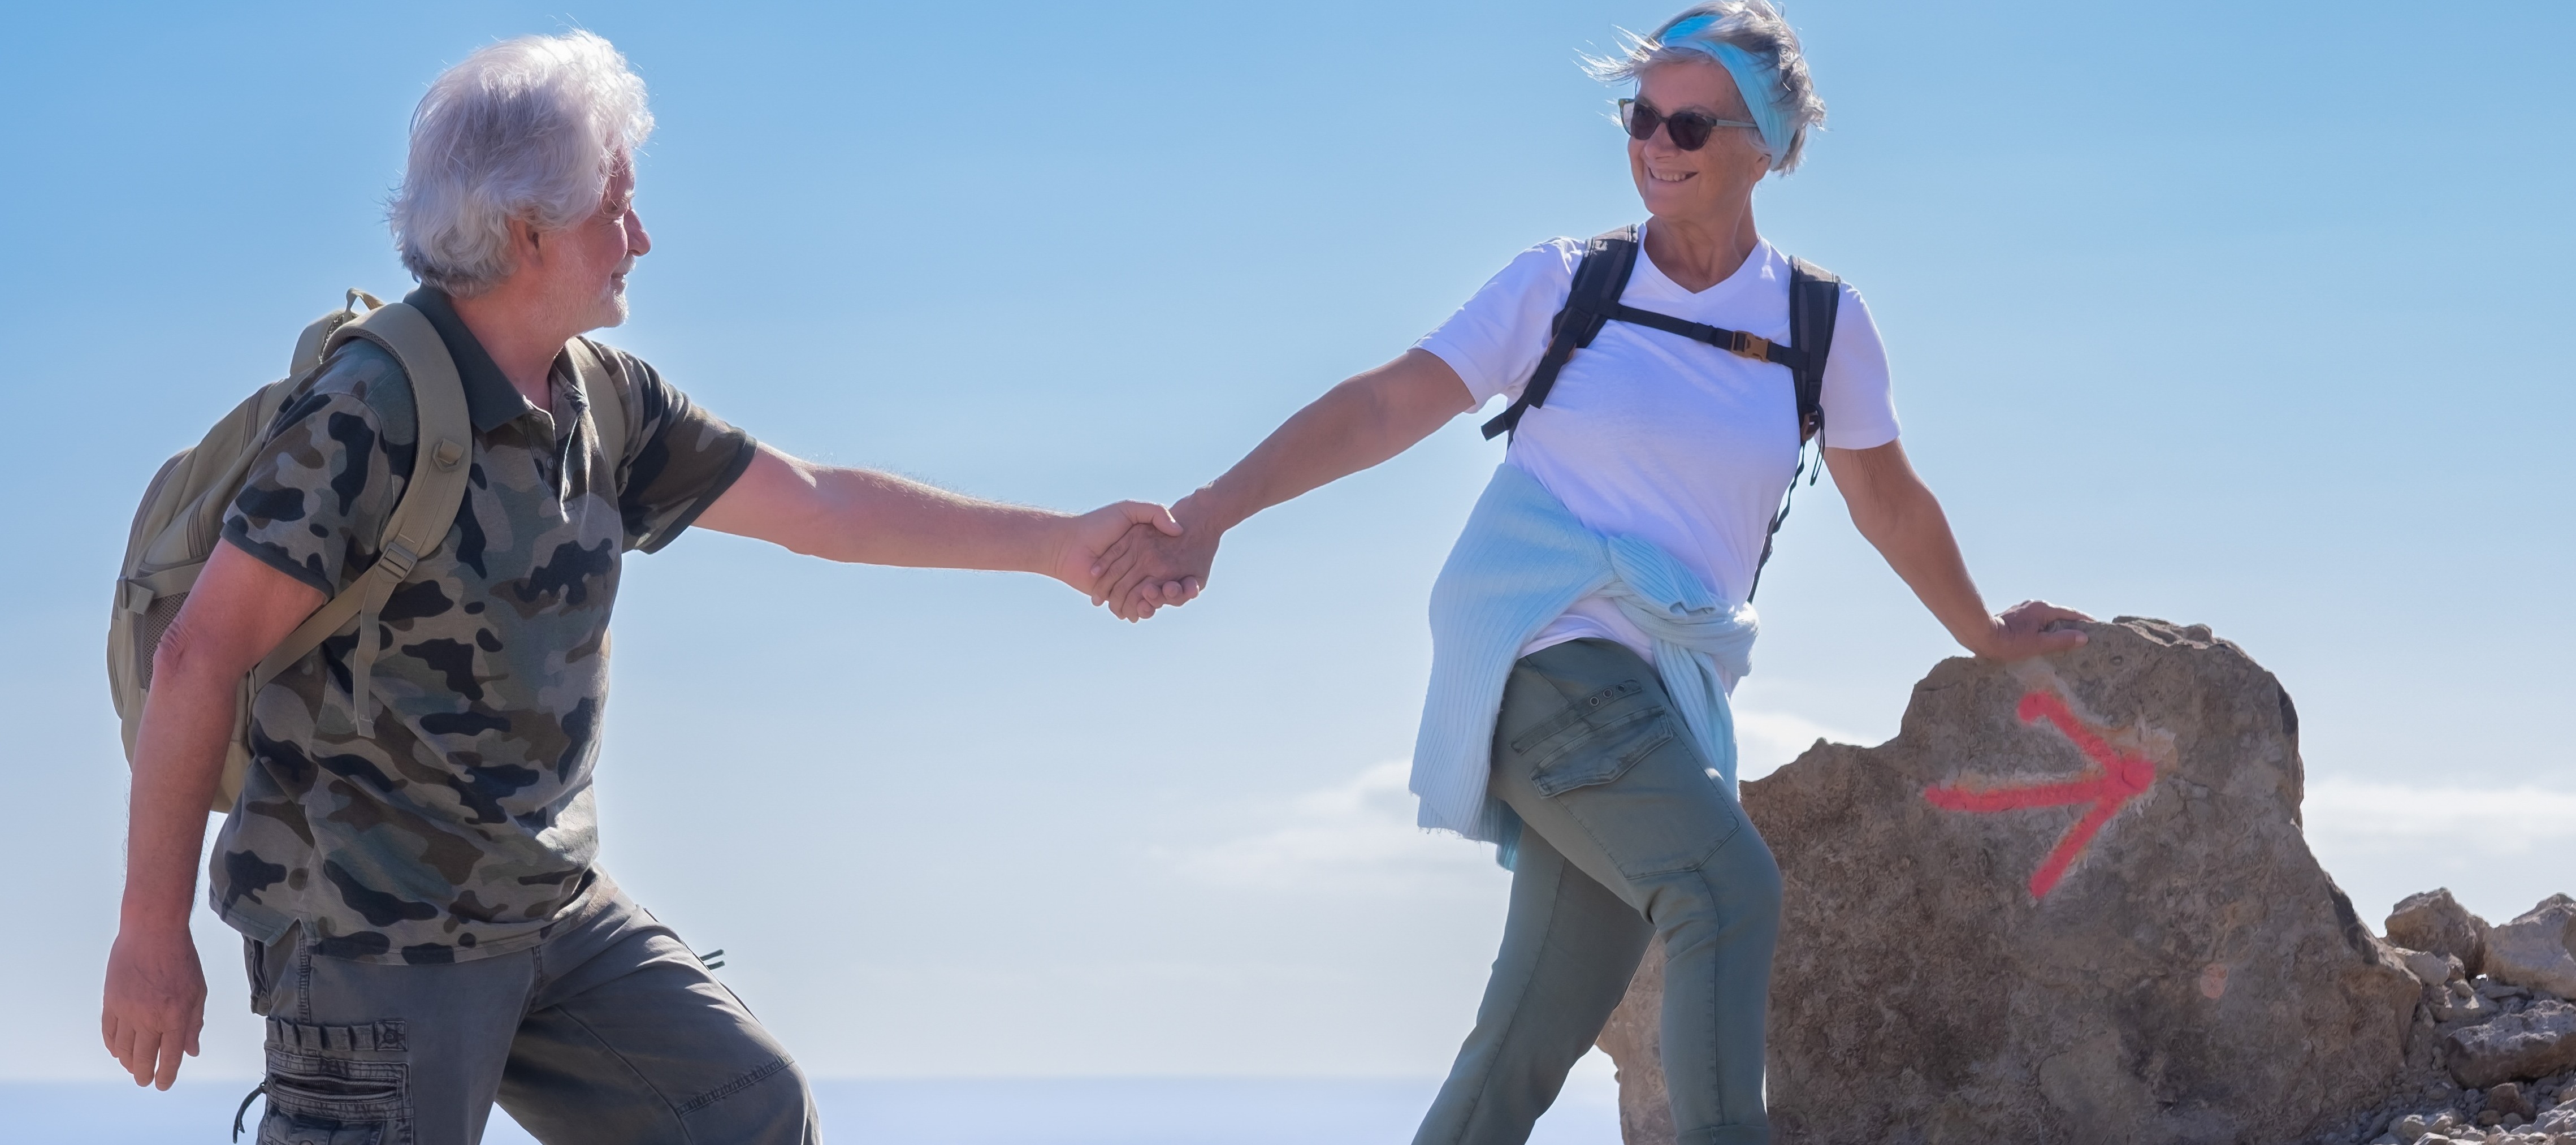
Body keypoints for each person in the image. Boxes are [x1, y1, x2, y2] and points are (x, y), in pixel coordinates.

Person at [98, 31, 1180, 1144]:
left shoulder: (605, 400)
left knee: (744, 1113)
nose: (643, 237)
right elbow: (201, 651)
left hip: (548, 913)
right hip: (375, 943)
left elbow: (818, 505)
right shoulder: (368, 412)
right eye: (616, 207)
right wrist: (150, 931)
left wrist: (1058, 542)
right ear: (528, 232)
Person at [1089, 3, 2088, 1142]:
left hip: (1658, 690)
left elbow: (1887, 500)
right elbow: (1382, 404)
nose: (1657, 144)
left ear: (1764, 143)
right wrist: (1213, 511)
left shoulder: (1818, 320)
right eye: (1640, 117)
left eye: (1690, 124)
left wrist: (1980, 629)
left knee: (1532, 1025)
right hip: (1540, 647)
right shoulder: (1564, 284)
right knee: (1725, 889)